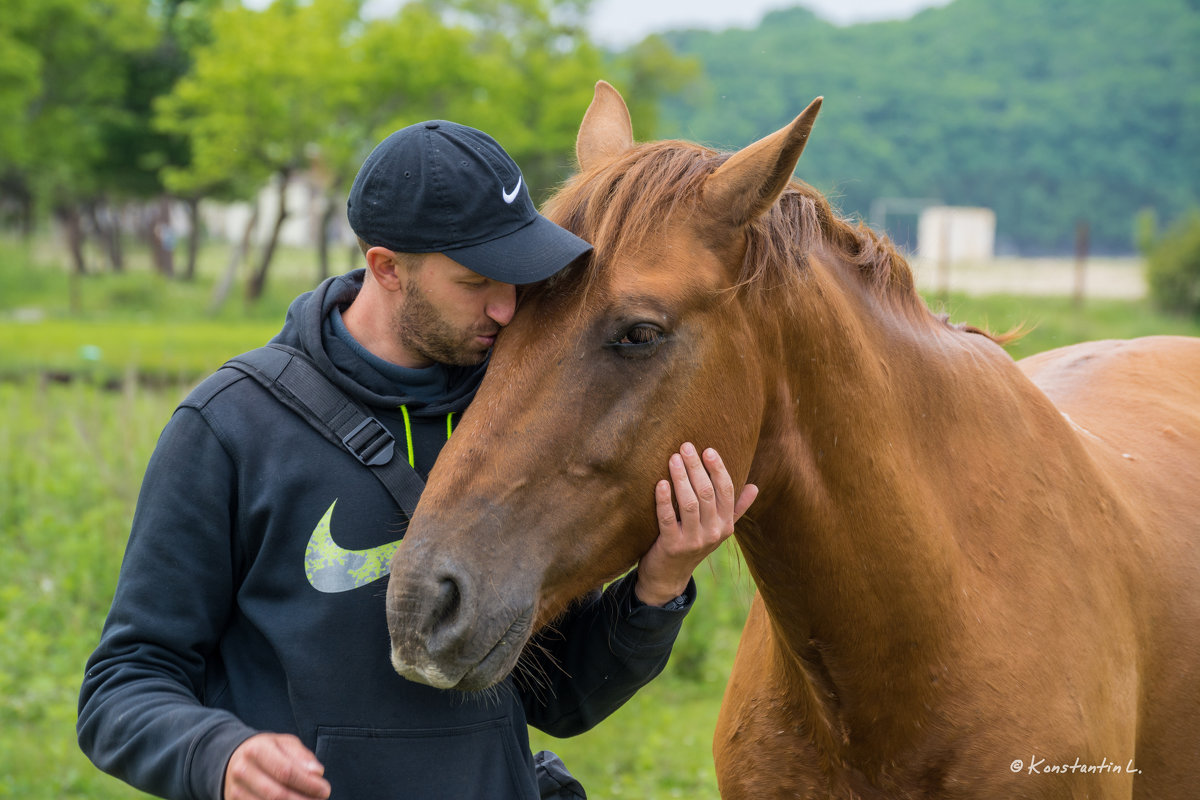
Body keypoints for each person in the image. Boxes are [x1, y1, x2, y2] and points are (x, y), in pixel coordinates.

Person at [78, 120, 758, 800]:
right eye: (475, 281)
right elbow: (123, 687)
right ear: (387, 268)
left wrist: (657, 587)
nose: (505, 306)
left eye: (517, 278)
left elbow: (560, 701)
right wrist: (216, 757)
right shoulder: (231, 425)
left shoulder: (521, 415)